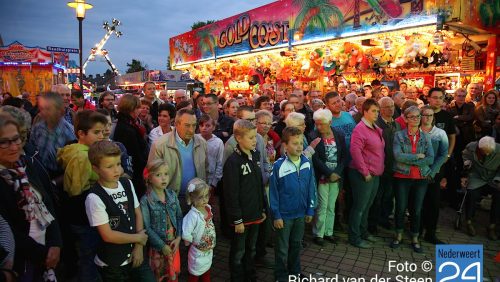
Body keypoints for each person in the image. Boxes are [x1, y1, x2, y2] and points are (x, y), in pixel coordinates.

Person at [0, 113, 62, 281]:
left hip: (46, 253)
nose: (14, 147)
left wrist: (56, 243)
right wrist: (43, 255)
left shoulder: (26, 164)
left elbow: (48, 203)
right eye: (4, 142)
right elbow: (7, 230)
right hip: (19, 262)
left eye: (16, 139)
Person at [85, 140, 153, 282]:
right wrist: (138, 238)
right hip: (113, 264)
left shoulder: (126, 183)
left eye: (118, 164)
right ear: (95, 169)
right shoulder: (94, 198)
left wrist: (139, 247)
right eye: (109, 166)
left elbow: (137, 213)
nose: (116, 170)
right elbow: (108, 235)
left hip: (136, 254)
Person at [57, 110, 108, 281]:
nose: (101, 135)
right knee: (88, 257)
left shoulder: (86, 152)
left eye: (102, 131)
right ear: (81, 133)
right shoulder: (81, 156)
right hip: (83, 218)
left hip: (86, 216)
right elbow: (76, 192)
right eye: (96, 132)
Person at [269, 127, 316, 282]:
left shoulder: (307, 163)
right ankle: (281, 275)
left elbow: (311, 187)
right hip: (284, 216)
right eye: (295, 143)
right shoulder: (278, 166)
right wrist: (276, 215)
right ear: (285, 145)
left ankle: (294, 272)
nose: (299, 147)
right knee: (282, 248)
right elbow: (273, 194)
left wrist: (310, 209)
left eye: (301, 143)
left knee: (296, 245)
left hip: (301, 213)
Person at [223, 119, 267, 282]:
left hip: (255, 213)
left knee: (251, 249)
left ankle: (250, 275)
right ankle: (237, 277)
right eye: (251, 137)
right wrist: (237, 220)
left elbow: (259, 185)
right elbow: (231, 194)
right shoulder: (233, 162)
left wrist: (263, 209)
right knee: (238, 251)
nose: (255, 140)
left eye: (255, 137)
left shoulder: (255, 154)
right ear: (238, 138)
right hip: (241, 218)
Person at [391, 106, 434, 253]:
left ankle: (415, 237)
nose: (415, 119)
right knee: (401, 208)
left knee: (416, 209)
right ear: (406, 119)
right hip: (402, 176)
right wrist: (417, 156)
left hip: (420, 177)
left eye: (417, 116)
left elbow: (430, 158)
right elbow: (398, 156)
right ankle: (399, 235)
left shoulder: (427, 137)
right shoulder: (398, 135)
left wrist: (411, 160)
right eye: (412, 117)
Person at [148, 108, 208, 211]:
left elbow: (206, 168)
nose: (191, 130)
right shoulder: (160, 144)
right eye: (187, 125)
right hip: (170, 200)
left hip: (196, 199)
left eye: (194, 125)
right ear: (176, 124)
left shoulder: (201, 143)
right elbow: (150, 175)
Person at [348, 99, 385, 249]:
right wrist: (365, 172)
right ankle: (354, 237)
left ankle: (364, 232)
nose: (377, 113)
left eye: (377, 111)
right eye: (373, 111)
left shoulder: (375, 127)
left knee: (367, 205)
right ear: (365, 112)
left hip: (374, 173)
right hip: (362, 174)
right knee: (359, 207)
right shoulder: (360, 129)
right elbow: (355, 152)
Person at [308, 109, 346, 246]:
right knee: (322, 206)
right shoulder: (313, 136)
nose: (319, 127)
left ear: (330, 122)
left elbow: (344, 156)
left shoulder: (339, 135)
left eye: (322, 124)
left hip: (336, 176)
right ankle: (318, 234)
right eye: (317, 124)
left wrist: (337, 172)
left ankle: (328, 232)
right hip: (322, 176)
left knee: (331, 205)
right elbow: (315, 159)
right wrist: (329, 173)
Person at [141, 159, 183, 282]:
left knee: (173, 275)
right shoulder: (146, 200)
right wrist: (162, 245)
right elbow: (146, 227)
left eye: (166, 174)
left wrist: (179, 237)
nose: (163, 178)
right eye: (158, 175)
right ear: (149, 178)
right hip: (158, 248)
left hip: (173, 244)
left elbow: (179, 216)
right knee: (158, 276)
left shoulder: (172, 195)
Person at [368, 97, 400, 233]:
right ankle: (373, 223)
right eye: (387, 107)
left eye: (392, 106)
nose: (390, 109)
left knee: (388, 196)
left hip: (393, 166)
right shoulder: (376, 124)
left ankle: (384, 219)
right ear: (380, 110)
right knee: (377, 197)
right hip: (380, 166)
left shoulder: (396, 124)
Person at [29, 92, 77, 177]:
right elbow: (32, 150)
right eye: (41, 109)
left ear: (60, 110)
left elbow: (73, 167)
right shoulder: (37, 128)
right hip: (40, 174)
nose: (43, 112)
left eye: (48, 109)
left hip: (59, 179)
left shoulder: (69, 132)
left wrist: (55, 182)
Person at [420, 106, 449, 244]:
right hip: (418, 172)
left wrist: (432, 171)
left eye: (430, 115)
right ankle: (417, 230)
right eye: (425, 115)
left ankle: (430, 233)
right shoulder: (415, 131)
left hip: (434, 173)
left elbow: (443, 154)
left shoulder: (440, 133)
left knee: (433, 203)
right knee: (417, 202)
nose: (427, 118)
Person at [462, 136, 500, 240]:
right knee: (471, 193)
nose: (487, 154)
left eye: (489, 152)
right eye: (484, 151)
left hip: (493, 178)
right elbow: (465, 155)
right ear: (479, 147)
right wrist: (467, 162)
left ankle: (492, 226)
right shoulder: (471, 147)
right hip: (477, 176)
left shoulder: (499, 149)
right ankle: (469, 221)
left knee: (498, 196)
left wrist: (498, 179)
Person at [113, 94, 149, 197]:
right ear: (131, 108)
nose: (140, 110)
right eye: (138, 108)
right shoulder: (127, 128)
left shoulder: (129, 123)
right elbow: (134, 154)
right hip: (133, 175)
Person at [182, 178, 216, 282]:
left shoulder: (208, 208)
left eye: (206, 196)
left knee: (206, 272)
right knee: (195, 274)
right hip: (198, 252)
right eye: (201, 197)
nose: (205, 200)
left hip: (208, 250)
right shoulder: (192, 216)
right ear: (192, 198)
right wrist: (188, 240)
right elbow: (186, 231)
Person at [197, 114, 224, 190]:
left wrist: (214, 183)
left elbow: (220, 163)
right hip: (196, 178)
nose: (204, 128)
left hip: (211, 179)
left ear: (214, 127)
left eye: (207, 125)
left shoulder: (218, 142)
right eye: (201, 125)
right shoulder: (195, 139)